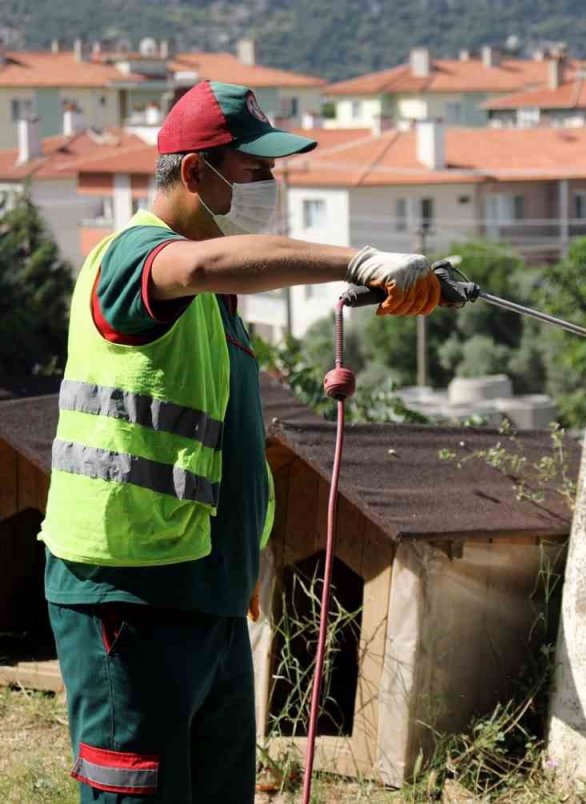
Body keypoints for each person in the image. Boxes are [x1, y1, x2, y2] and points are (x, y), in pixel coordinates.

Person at [38, 79, 440, 802]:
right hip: (130, 598)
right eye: (256, 171)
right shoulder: (134, 258)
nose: (270, 188)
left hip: (208, 592)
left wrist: (238, 559)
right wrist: (354, 259)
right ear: (196, 172)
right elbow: (196, 264)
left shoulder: (213, 299)